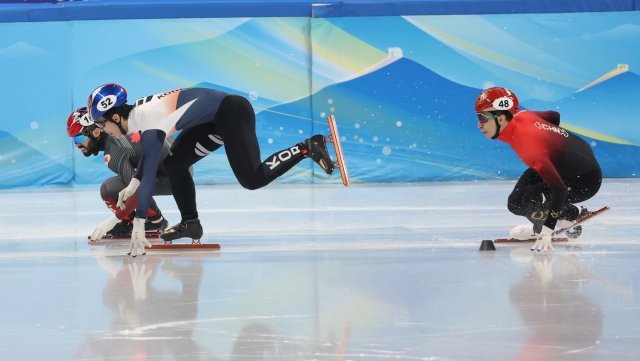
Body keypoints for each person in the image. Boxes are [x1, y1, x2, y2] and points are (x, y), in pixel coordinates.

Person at [86, 84, 336, 256]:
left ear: (115, 118)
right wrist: (132, 185)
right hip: (211, 119)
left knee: (252, 178)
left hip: (232, 113)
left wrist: (139, 222)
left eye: (101, 123)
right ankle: (191, 224)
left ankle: (307, 148)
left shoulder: (147, 121)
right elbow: (148, 165)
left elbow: (150, 170)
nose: (102, 129)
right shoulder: (139, 117)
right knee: (174, 165)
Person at [474, 87, 602, 252]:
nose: (479, 125)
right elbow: (554, 116)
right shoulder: (523, 115)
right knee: (515, 203)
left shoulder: (529, 146)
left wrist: (548, 230)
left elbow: (560, 189)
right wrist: (551, 141)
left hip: (585, 179)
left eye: (482, 118)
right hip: (564, 163)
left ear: (500, 119)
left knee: (530, 199)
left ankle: (571, 213)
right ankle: (551, 219)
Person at [67, 107, 220, 241]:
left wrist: (114, 219)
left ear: (96, 131)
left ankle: (154, 221)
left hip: (171, 177)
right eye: (74, 141)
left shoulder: (113, 151)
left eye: (79, 138)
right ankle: (141, 220)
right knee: (127, 184)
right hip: (180, 168)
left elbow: (137, 190)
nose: (77, 145)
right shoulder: (125, 125)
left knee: (108, 189)